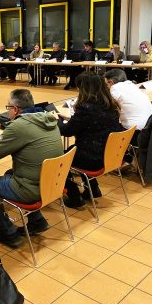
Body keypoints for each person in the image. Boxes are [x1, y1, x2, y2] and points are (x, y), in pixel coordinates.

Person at [0, 89, 64, 246]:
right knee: (9, 173)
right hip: (53, 183)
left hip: (32, 190)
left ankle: (8, 233)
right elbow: (28, 140)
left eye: (8, 108)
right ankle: (37, 221)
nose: (7, 111)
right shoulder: (48, 119)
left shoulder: (18, 126)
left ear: (16, 109)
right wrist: (2, 139)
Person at [57, 72, 125, 208]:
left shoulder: (85, 108)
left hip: (94, 159)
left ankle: (74, 196)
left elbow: (67, 131)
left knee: (59, 159)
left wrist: (56, 121)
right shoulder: (110, 105)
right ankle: (93, 189)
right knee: (80, 151)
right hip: (110, 155)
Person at [103, 69, 152, 133]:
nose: (106, 86)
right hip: (150, 125)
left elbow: (108, 107)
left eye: (106, 84)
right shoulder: (132, 85)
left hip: (135, 130)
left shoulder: (114, 88)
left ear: (111, 82)